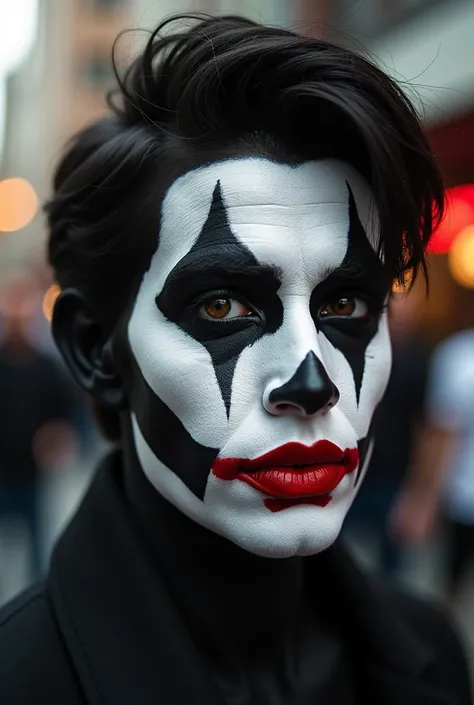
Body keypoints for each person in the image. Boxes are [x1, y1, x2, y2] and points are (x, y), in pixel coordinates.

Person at [0, 14, 470, 705]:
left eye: (347, 307)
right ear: (98, 349)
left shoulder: (431, 650)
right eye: (222, 307)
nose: (311, 383)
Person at [346, 292, 430, 576]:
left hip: (393, 479)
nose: (402, 317)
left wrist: (418, 496)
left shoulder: (421, 362)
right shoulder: (358, 351)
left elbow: (427, 431)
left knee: (392, 568)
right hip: (353, 473)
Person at [0, 276, 78, 584]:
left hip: (31, 469)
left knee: (36, 537)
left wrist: (56, 437)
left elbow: (63, 413)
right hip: (2, 467)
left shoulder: (45, 367)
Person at [392, 324, 474, 609]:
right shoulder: (459, 358)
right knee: (452, 581)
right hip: (463, 497)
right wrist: (422, 501)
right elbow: (439, 436)